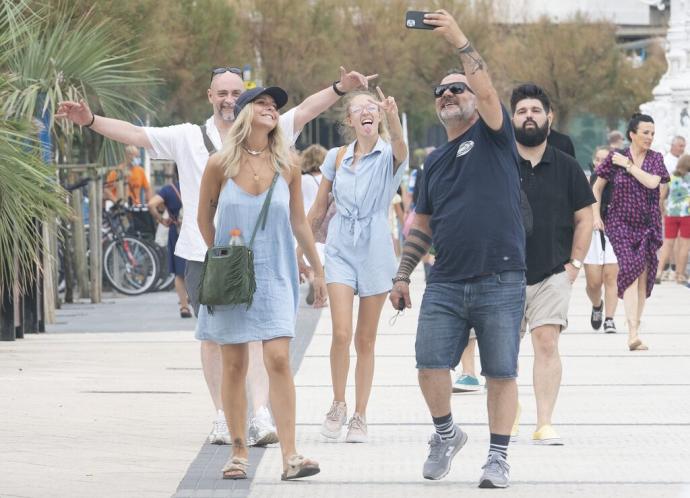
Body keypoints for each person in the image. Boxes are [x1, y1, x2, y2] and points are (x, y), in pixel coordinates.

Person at [56, 65, 374, 446]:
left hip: (257, 256)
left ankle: (256, 414)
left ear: (245, 97)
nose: (228, 100)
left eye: (234, 92)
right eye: (221, 93)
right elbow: (137, 134)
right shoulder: (187, 137)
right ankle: (224, 416)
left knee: (256, 337)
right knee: (213, 340)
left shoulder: (268, 128)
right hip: (202, 254)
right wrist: (90, 120)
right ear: (210, 96)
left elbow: (305, 110)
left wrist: (340, 87)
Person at [390, 10, 526, 488]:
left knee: (501, 372)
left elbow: (486, 90)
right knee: (429, 364)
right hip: (445, 280)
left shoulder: (494, 135)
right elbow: (421, 223)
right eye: (441, 92)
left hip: (501, 276)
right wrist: (403, 274)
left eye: (457, 88)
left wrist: (459, 40)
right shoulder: (433, 164)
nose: (449, 94)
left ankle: (498, 457)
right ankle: (446, 434)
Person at [197, 86, 326, 480]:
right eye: (263, 104)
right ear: (243, 113)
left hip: (275, 273)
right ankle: (238, 451)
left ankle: (290, 455)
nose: (271, 109)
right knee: (234, 365)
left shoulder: (288, 163)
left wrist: (317, 270)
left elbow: (299, 222)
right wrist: (223, 260)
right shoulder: (219, 164)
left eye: (275, 106)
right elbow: (204, 218)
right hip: (234, 278)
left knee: (278, 359)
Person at [307, 87, 407, 443]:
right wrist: (305, 256)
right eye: (358, 109)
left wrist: (393, 115)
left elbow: (400, 147)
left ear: (378, 116)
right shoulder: (335, 157)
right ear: (349, 120)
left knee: (365, 340)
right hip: (339, 250)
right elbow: (318, 210)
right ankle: (338, 403)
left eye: (372, 107)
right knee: (340, 333)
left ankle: (361, 415)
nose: (367, 112)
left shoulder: (388, 156)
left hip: (376, 251)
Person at [511, 83, 594, 445]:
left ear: (549, 118)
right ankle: (507, 418)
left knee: (546, 343)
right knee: (503, 351)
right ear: (512, 118)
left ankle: (544, 422)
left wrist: (574, 264)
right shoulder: (498, 163)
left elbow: (586, 218)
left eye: (535, 110)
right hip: (503, 273)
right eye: (521, 111)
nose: (529, 116)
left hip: (552, 272)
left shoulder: (568, 166)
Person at [592, 113, 670, 351]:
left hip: (648, 225)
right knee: (631, 271)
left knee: (643, 279)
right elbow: (596, 187)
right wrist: (596, 216)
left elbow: (652, 183)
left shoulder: (655, 158)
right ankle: (633, 334)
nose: (649, 137)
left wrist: (629, 166)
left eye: (653, 133)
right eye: (645, 132)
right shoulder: (614, 157)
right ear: (632, 134)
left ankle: (635, 325)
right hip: (620, 224)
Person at [147, 167, 192, 318]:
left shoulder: (169, 189)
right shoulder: (198, 184)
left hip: (177, 232)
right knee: (199, 267)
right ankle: (199, 302)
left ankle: (184, 307)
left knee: (180, 273)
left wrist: (161, 219)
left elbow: (151, 204)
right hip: (198, 230)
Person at [585, 147, 619, 333]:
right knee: (593, 283)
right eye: (597, 159)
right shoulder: (587, 180)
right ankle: (597, 305)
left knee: (610, 277)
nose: (600, 163)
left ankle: (609, 319)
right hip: (593, 233)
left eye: (604, 160)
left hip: (614, 233)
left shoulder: (619, 180)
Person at [299, 144, 328, 306]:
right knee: (322, 256)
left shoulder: (302, 180)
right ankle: (321, 286)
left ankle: (311, 278)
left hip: (304, 220)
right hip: (322, 221)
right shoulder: (326, 179)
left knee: (309, 254)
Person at [657, 154, 690, 285]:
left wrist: (663, 211)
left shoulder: (671, 177)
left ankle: (658, 272)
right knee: (684, 245)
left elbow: (662, 197)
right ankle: (680, 275)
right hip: (687, 215)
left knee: (667, 243)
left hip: (671, 214)